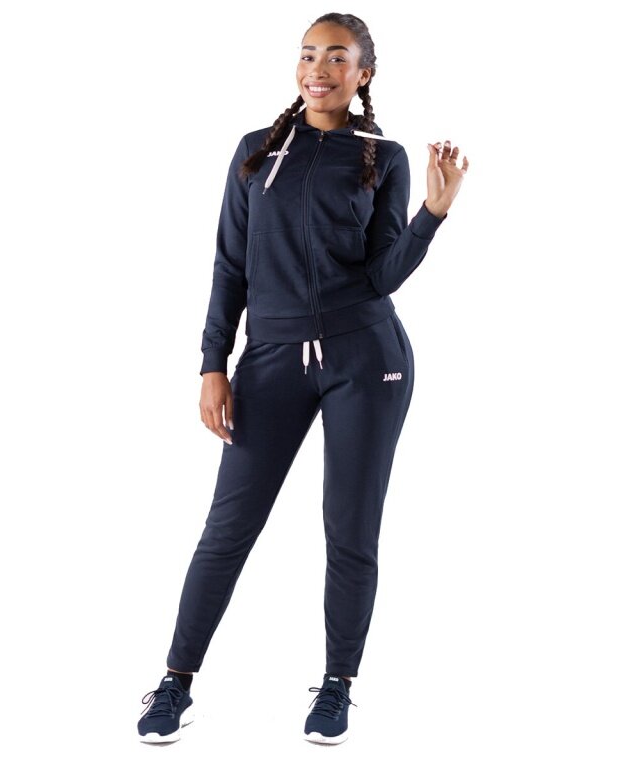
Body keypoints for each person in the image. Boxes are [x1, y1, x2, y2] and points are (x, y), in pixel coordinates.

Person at [137, 12, 468, 746]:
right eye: (309, 54)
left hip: (368, 358)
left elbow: (383, 274)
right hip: (271, 359)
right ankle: (175, 681)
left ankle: (337, 686)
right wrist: (213, 364)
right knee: (228, 527)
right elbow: (229, 264)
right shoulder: (257, 151)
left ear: (363, 72)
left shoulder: (383, 157)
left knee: (350, 529)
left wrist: (432, 215)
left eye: (337, 57)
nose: (319, 68)